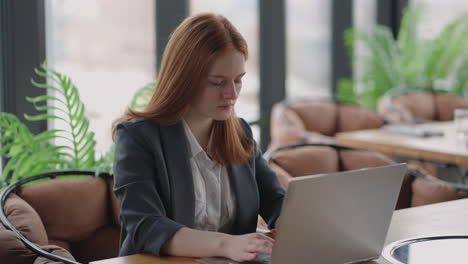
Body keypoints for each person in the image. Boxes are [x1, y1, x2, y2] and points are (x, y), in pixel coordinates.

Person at [112, 13, 285, 262]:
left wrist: (295, 224)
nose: (232, 94)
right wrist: (226, 244)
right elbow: (145, 226)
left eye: (238, 80)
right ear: (184, 79)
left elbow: (275, 199)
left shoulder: (241, 133)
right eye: (217, 83)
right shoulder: (138, 138)